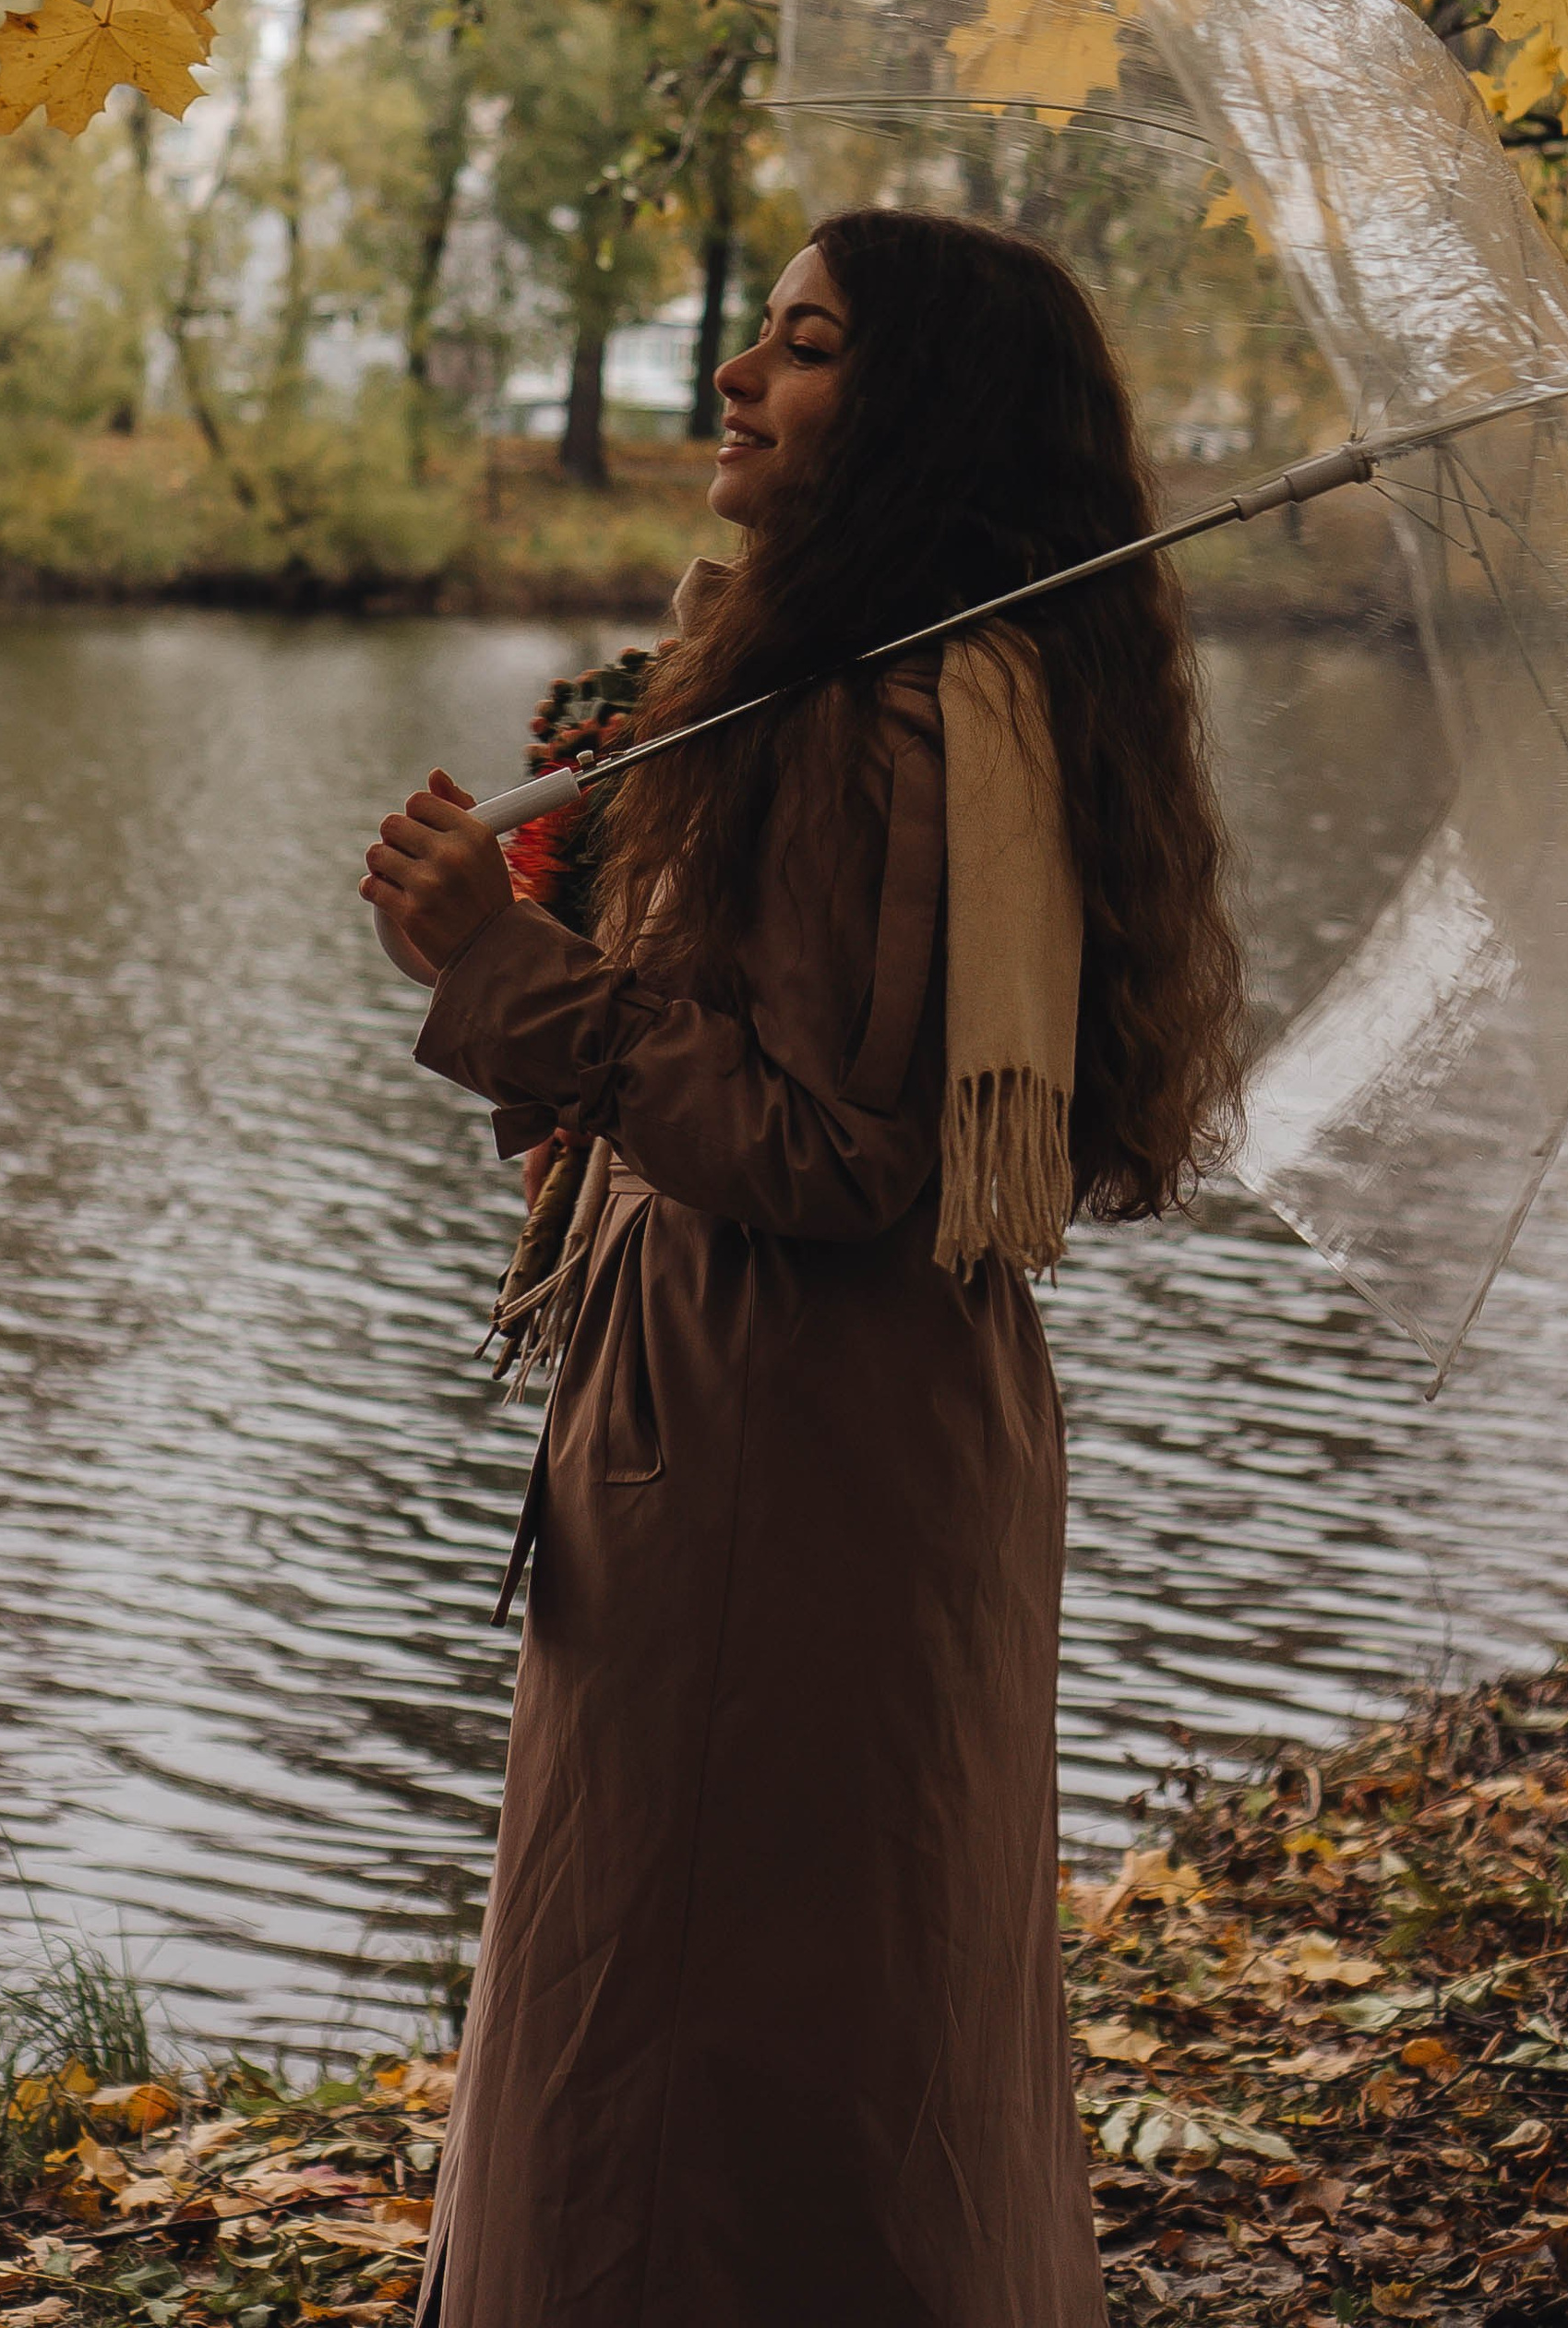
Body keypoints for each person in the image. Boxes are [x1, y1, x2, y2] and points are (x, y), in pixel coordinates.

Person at [361, 208, 1246, 2328]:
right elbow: (779, 1084)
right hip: (861, 1410)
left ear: (919, 412)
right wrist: (555, 941)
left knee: (692, 2025)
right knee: (837, 1998)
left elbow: (833, 1153)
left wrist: (501, 966)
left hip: (774, 1425)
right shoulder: (950, 696)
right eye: (756, 340)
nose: (739, 383)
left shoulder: (881, 729)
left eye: (805, 347)